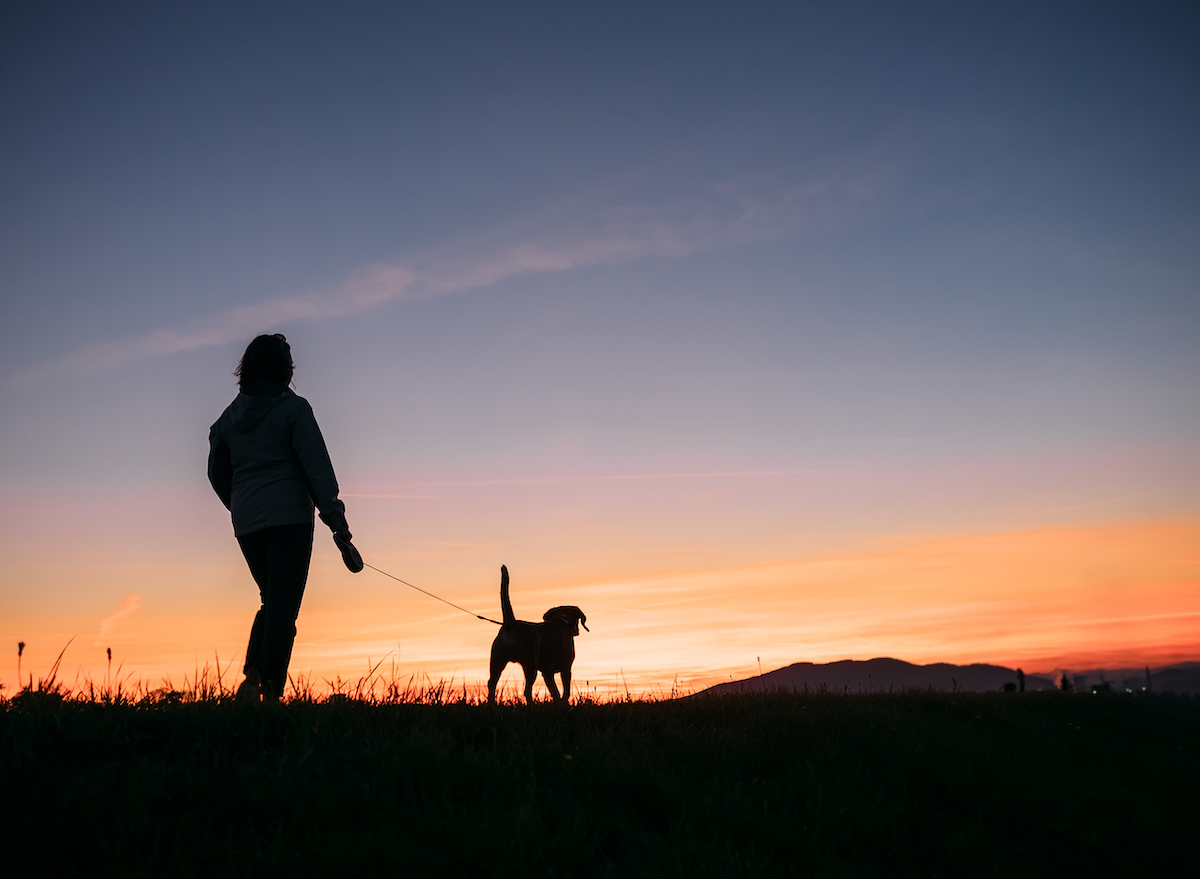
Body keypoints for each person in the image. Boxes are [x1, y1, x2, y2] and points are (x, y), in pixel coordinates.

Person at [208, 334, 351, 702]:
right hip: (288, 518)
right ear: (283, 369)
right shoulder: (294, 410)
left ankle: (253, 680)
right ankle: (268, 693)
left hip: (248, 521)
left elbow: (216, 472)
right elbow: (316, 465)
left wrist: (238, 502)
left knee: (272, 601)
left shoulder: (226, 421)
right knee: (282, 611)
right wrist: (336, 520)